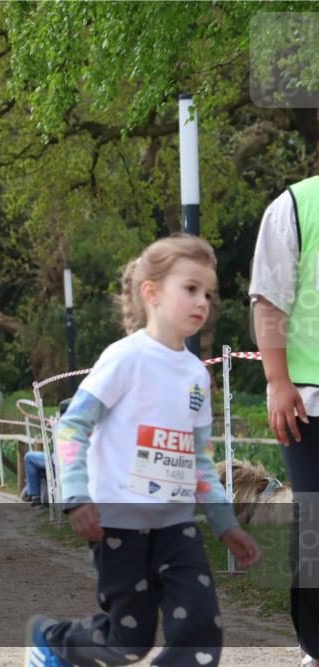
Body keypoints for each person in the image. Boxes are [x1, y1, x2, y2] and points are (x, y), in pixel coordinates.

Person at [26, 234, 261, 667]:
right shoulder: (124, 359)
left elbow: (199, 459)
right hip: (117, 524)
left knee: (200, 631)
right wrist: (77, 497)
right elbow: (71, 428)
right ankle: (53, 640)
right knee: (127, 641)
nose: (202, 301)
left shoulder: (195, 375)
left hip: (177, 528)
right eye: (190, 289)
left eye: (208, 293)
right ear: (151, 293)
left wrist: (225, 522)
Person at [250, 175, 319, 666]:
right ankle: (316, 645)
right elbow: (269, 300)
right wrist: (276, 380)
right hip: (309, 402)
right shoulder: (295, 206)